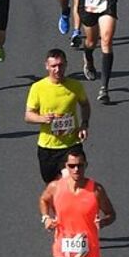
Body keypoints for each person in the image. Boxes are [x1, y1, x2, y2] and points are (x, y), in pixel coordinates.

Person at [39, 148, 116, 257]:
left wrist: (103, 222)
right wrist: (46, 218)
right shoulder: (55, 187)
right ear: (66, 166)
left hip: (89, 253)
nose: (76, 169)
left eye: (80, 165)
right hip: (63, 252)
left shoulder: (96, 190)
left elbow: (111, 214)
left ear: (86, 165)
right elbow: (43, 200)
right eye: (72, 165)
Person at [24, 49, 90, 183]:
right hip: (48, 147)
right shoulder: (38, 88)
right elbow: (28, 115)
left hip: (71, 144)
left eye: (60, 65)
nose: (57, 69)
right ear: (47, 66)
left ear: (66, 65)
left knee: (69, 180)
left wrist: (84, 124)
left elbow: (85, 105)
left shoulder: (75, 86)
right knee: (52, 186)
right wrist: (43, 118)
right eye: (53, 66)